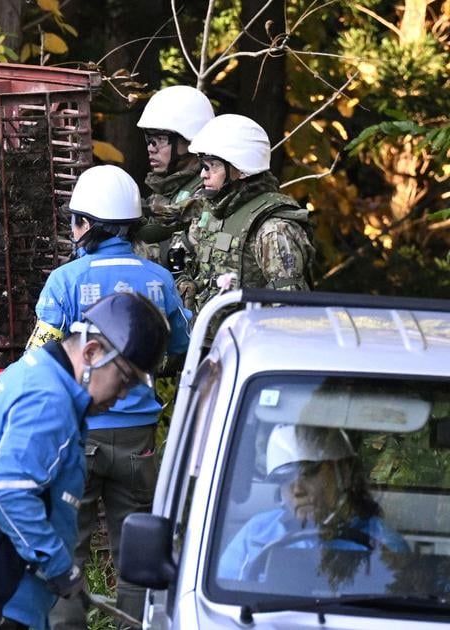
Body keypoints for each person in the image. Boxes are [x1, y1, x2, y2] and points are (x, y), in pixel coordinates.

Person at [0, 292, 171, 630]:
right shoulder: (50, 400)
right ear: (92, 353)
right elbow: (7, 491)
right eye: (125, 379)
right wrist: (59, 567)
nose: (123, 395)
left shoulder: (39, 374)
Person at [34, 165, 191, 629]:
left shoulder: (63, 281)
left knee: (67, 542)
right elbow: (181, 346)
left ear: (87, 225)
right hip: (138, 435)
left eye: (75, 219)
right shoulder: (160, 280)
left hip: (77, 433)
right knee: (136, 546)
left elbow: (40, 357)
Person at [218, 425, 408, 582]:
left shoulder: (383, 542)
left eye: (309, 473)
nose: (297, 489)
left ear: (344, 472)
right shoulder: (256, 533)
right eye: (285, 479)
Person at [179, 114, 315, 313]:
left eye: (213, 165)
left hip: (247, 341)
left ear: (242, 170)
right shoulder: (214, 212)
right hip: (206, 338)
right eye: (204, 165)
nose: (203, 174)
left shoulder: (273, 229)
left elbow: (288, 311)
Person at [133, 85, 213, 268]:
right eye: (149, 139)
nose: (151, 148)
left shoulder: (207, 187)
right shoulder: (166, 188)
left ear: (190, 141)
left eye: (161, 139)